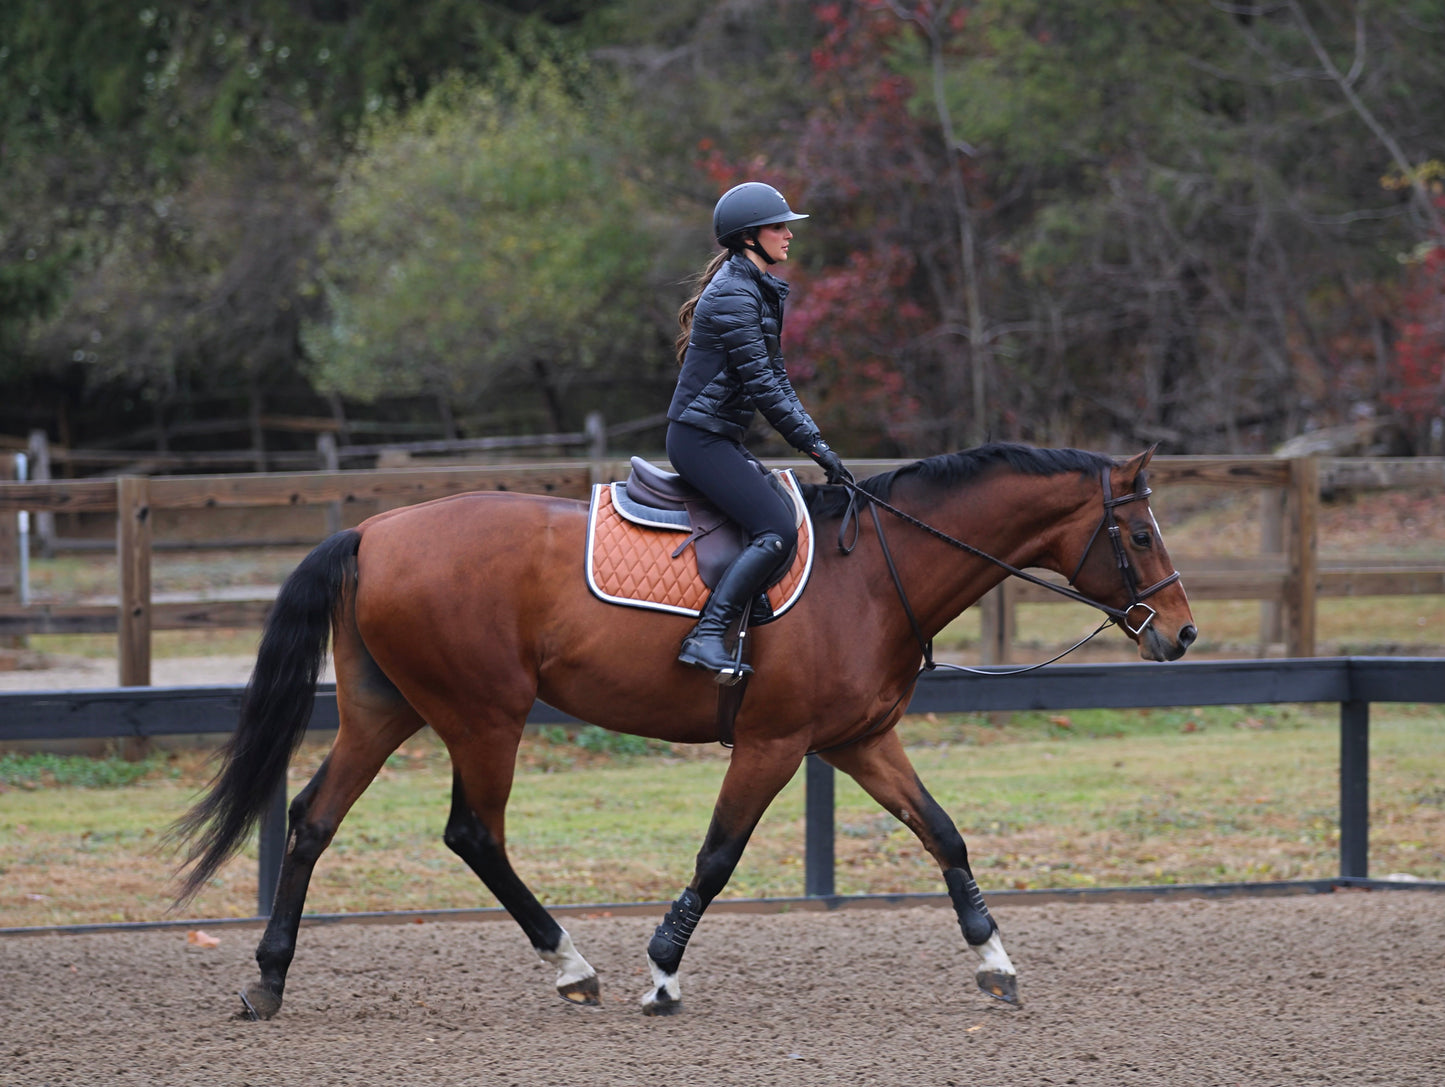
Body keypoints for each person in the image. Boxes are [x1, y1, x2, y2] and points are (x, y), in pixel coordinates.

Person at [666, 181, 851, 680]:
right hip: (699, 440)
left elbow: (777, 379)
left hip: (717, 437)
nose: (788, 234)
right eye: (778, 227)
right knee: (777, 529)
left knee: (781, 512)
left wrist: (818, 444)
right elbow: (765, 388)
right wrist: (814, 446)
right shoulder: (735, 295)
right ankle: (706, 635)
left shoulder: (754, 288)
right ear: (749, 237)